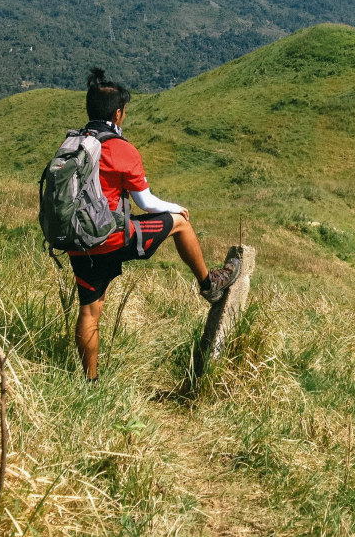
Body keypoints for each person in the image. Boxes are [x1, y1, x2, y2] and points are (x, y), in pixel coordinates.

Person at [68, 67, 240, 381]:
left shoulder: (73, 145)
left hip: (78, 242)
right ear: (118, 114)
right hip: (110, 238)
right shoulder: (121, 149)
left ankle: (89, 383)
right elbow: (146, 203)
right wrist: (178, 209)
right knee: (180, 224)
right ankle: (209, 284)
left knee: (89, 313)